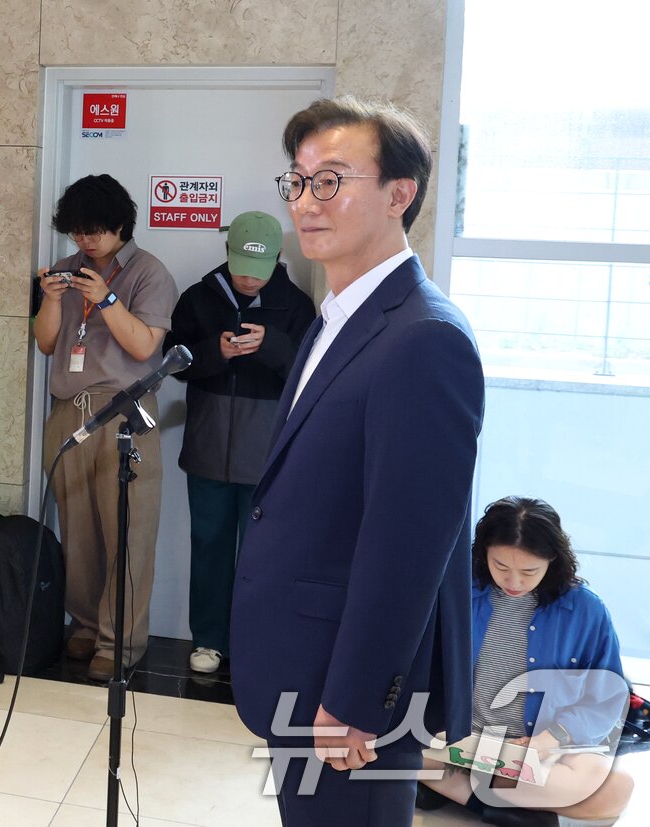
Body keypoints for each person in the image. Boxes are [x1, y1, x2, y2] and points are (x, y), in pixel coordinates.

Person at [229, 96, 486, 826]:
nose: (306, 202)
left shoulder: (423, 338)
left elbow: (407, 545)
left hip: (347, 689)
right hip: (303, 658)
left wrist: (357, 696)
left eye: (331, 180)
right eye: (299, 182)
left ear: (399, 194)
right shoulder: (338, 316)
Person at [33, 174, 178, 682]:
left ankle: (123, 641)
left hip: (126, 412)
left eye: (94, 231)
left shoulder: (148, 273)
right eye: (76, 232)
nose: (85, 242)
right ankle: (88, 625)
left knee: (128, 532)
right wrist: (51, 298)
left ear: (120, 224)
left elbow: (144, 347)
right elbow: (47, 344)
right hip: (70, 410)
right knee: (78, 532)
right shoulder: (67, 270)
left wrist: (109, 300)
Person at [416, 496, 634, 826]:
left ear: (553, 561)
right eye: (500, 566)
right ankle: (494, 801)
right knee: (393, 750)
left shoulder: (586, 611)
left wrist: (551, 739)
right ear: (483, 553)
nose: (514, 582)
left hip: (534, 747)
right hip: (460, 738)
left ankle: (459, 792)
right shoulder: (457, 594)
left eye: (529, 571)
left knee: (616, 789)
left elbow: (607, 697)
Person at [163, 211, 315, 675]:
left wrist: (269, 345)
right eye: (241, 267)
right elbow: (175, 362)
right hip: (208, 442)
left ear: (277, 259)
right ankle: (208, 639)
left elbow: (308, 372)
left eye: (260, 269)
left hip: (266, 451)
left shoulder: (297, 305)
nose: (249, 279)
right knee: (207, 543)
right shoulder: (198, 297)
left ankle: (254, 640)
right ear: (227, 254)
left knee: (260, 553)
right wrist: (217, 351)